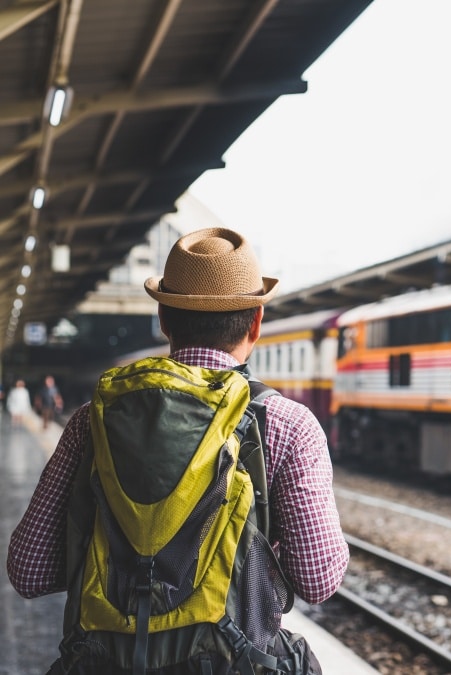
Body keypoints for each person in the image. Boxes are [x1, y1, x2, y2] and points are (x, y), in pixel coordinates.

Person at [7, 227, 349, 664]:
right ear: (257, 322)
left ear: (164, 319)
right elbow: (318, 580)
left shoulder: (91, 419)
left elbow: (28, 571)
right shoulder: (288, 424)